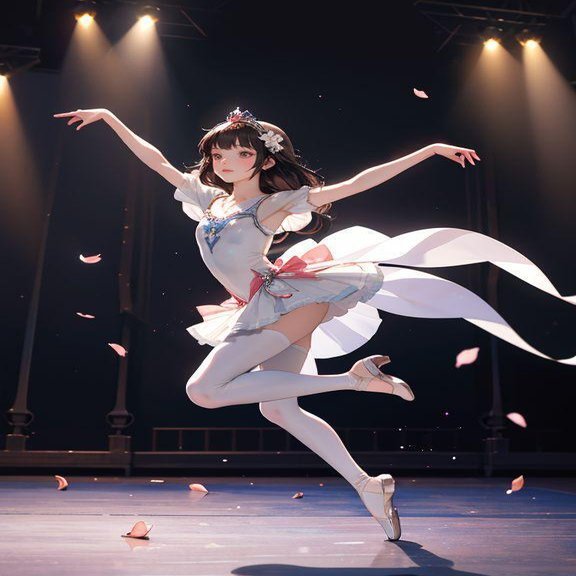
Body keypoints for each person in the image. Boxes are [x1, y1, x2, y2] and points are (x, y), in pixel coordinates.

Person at [54, 106, 575, 540]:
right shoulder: (208, 199)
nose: (227, 161)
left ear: (264, 159)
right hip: (264, 304)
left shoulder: (273, 204)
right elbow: (157, 160)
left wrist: (427, 151)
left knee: (203, 391)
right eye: (219, 154)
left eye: (241, 153)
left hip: (287, 299)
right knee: (279, 408)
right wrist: (111, 118)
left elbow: (356, 184)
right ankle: (368, 485)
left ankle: (353, 380)